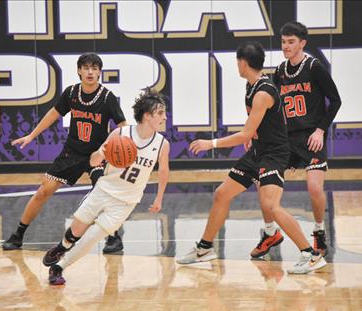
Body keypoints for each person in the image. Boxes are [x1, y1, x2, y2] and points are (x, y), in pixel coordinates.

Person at [176, 41, 326, 274]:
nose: (237, 65)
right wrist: (253, 133)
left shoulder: (263, 92)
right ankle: (204, 248)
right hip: (257, 151)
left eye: (238, 61)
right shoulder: (252, 85)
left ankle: (311, 254)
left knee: (272, 206)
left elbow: (245, 133)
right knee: (221, 194)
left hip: (273, 155)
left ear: (243, 63)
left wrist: (211, 143)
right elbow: (254, 128)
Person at [42, 88, 170, 285]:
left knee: (91, 238)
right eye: (160, 113)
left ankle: (59, 267)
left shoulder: (162, 144)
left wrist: (159, 197)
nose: (165, 117)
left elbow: (163, 172)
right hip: (103, 190)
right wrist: (102, 151)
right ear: (147, 115)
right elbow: (93, 162)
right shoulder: (120, 134)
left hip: (126, 202)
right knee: (77, 229)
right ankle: (62, 246)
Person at [3, 53, 127, 250]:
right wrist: (31, 135)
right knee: (43, 191)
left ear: (99, 73)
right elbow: (53, 113)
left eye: (94, 68)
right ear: (79, 70)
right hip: (72, 152)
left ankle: (114, 238)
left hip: (96, 154)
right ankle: (18, 234)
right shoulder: (71, 93)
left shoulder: (107, 97)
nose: (90, 72)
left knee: (100, 193)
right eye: (86, 68)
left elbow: (122, 125)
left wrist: (111, 147)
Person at [250, 21, 341, 258]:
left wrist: (320, 130)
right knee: (262, 181)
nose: (286, 46)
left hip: (311, 137)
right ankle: (270, 232)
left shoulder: (314, 67)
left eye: (291, 42)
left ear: (302, 43)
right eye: (283, 42)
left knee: (313, 188)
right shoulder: (280, 71)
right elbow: (268, 103)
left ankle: (319, 231)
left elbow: (336, 100)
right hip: (286, 139)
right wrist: (254, 131)